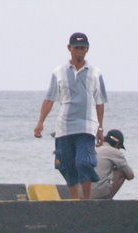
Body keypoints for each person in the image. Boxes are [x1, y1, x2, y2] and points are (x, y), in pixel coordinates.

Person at [33, 32, 107, 200]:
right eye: (76, 48)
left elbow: (100, 102)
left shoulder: (95, 73)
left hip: (87, 126)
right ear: (69, 48)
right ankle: (74, 201)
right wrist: (40, 123)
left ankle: (85, 201)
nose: (79, 51)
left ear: (87, 49)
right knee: (66, 165)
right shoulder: (58, 72)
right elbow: (49, 99)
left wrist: (100, 128)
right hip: (64, 127)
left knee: (84, 162)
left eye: (82, 48)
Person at [90, 129, 134, 199]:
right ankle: (107, 200)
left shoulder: (93, 148)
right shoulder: (115, 152)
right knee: (121, 172)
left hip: (83, 192)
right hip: (98, 193)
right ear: (117, 144)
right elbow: (130, 175)